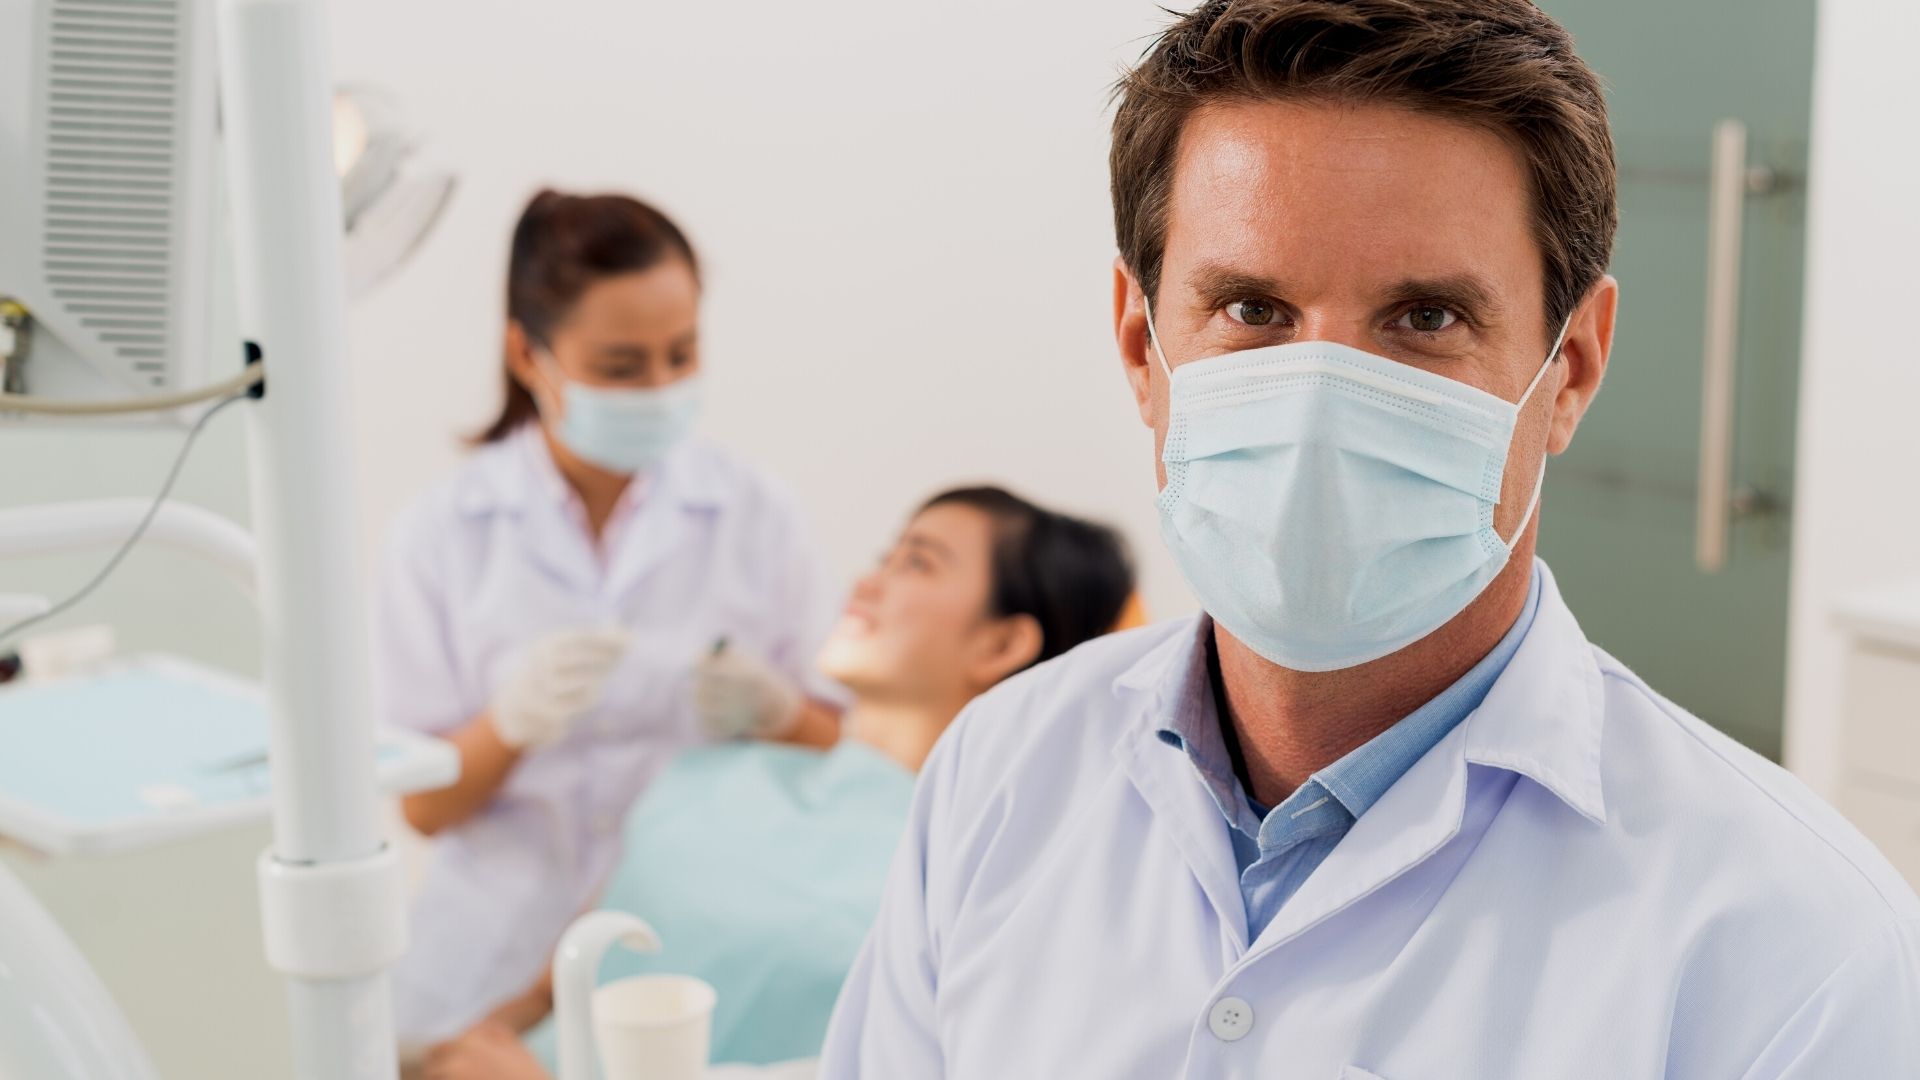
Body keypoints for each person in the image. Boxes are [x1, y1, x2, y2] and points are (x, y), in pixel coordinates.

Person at [821, 2, 1920, 1076]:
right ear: (1139, 345)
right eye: (1252, 309)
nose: (1321, 400)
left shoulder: (1798, 949)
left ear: (1574, 367)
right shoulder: (999, 772)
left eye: (1426, 319)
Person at [415, 487, 1136, 1080]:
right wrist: (449, 1055)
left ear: (1001, 643)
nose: (866, 582)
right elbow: (552, 988)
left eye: (917, 563)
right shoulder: (713, 774)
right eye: (885, 557)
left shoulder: (981, 874)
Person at [377, 189, 845, 1050]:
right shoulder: (440, 536)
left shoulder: (758, 517)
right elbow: (424, 807)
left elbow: (852, 766)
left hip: (695, 952)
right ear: (528, 354)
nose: (661, 387)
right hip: (485, 963)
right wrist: (507, 727)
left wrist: (778, 713)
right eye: (622, 367)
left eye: (682, 353)